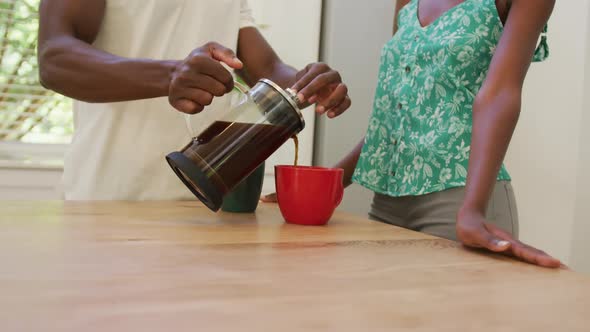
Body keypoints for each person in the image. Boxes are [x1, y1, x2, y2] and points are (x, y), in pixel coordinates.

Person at [264, 0, 561, 268]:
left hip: (462, 205)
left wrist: (472, 209)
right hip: (387, 207)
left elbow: (500, 93)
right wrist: (327, 184)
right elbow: (399, 115)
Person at [37, 0, 350, 200]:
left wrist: (308, 84)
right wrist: (171, 75)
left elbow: (266, 68)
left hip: (203, 204)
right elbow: (54, 57)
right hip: (107, 199)